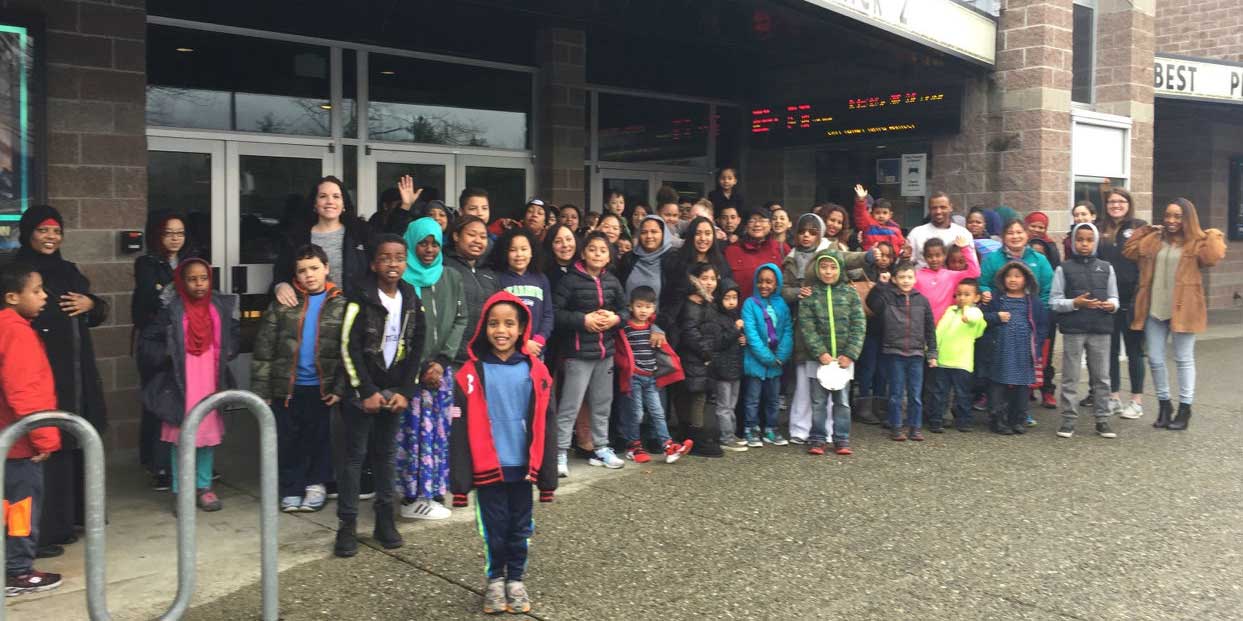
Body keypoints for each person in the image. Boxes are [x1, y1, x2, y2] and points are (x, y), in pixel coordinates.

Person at [448, 292, 557, 615]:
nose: (501, 330)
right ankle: (495, 580)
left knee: (521, 527)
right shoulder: (468, 374)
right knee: (493, 529)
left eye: (509, 324)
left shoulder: (537, 371)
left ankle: (517, 580)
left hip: (522, 467)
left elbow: (547, 427)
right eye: (494, 323)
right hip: (488, 468)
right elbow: (459, 432)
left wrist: (548, 478)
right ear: (483, 327)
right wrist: (459, 481)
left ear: (522, 327)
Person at [14, 205, 109, 552]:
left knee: (74, 440)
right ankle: (45, 531)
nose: (51, 237)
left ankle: (72, 519)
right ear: (28, 233)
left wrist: (91, 305)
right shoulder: (14, 270)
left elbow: (98, 311)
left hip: (75, 370)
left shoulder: (69, 271)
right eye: (43, 230)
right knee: (44, 444)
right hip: (37, 369)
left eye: (56, 231)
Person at [334, 234, 425, 557]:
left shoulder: (411, 297)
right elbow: (348, 346)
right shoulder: (359, 298)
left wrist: (406, 390)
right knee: (354, 458)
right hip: (363, 392)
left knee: (385, 457)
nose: (393, 264)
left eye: (399, 257)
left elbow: (417, 346)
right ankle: (347, 526)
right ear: (374, 263)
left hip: (395, 391)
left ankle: (385, 520)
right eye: (385, 258)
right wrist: (365, 390)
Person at [139, 258, 239, 511]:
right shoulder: (172, 309)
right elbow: (149, 339)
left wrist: (230, 350)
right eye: (192, 279)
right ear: (182, 282)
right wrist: (168, 355)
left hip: (209, 379)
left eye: (204, 278)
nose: (199, 284)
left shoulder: (218, 306)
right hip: (182, 381)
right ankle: (180, 490)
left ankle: (204, 486)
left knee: (206, 437)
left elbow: (232, 334)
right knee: (181, 437)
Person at [251, 245, 346, 513]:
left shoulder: (340, 303)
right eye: (302, 271)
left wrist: (340, 387)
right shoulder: (284, 303)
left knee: (319, 437)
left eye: (314, 268)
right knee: (289, 439)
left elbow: (346, 351)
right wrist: (263, 389)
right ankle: (292, 486)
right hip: (287, 387)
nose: (309, 275)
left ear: (326, 268)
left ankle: (317, 484)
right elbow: (264, 348)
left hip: (321, 387)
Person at [1123, 198, 1227, 430]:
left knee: (1183, 359)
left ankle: (1185, 409)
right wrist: (1148, 228)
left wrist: (1211, 233)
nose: (1171, 220)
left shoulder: (1197, 242)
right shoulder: (1154, 240)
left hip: (1184, 309)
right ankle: (1164, 406)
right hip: (1154, 309)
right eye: (1168, 215)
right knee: (1156, 360)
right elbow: (1129, 249)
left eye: (1178, 216)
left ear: (1187, 219)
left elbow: (1213, 256)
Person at [0, 263, 63, 596]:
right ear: (12, 297)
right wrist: (45, 438)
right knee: (21, 507)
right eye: (36, 291)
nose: (44, 296)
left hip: (8, 441)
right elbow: (23, 391)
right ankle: (19, 572)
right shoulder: (16, 331)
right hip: (19, 444)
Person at [553, 232, 628, 475]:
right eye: (592, 249)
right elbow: (555, 313)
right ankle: (560, 451)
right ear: (583, 253)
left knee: (602, 403)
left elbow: (626, 310)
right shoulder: (569, 281)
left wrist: (616, 318)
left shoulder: (612, 281)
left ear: (609, 256)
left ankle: (602, 447)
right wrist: (583, 320)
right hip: (577, 353)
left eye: (603, 250)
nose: (597, 254)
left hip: (605, 352)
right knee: (570, 405)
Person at [133, 211, 197, 491]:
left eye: (180, 233)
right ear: (158, 235)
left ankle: (189, 461)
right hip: (156, 342)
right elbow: (151, 298)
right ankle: (157, 465)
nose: (175, 238)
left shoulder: (190, 261)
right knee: (158, 402)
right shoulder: (146, 263)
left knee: (188, 401)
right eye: (169, 233)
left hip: (186, 341)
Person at [1050, 223, 1119, 439]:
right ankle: (1068, 419)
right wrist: (1075, 303)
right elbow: (1054, 301)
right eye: (1080, 239)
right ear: (1073, 242)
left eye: (1089, 240)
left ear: (1096, 241)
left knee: (1101, 377)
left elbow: (1114, 296)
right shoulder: (1064, 268)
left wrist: (1112, 305)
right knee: (1070, 376)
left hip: (1100, 329)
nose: (1084, 244)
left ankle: (1102, 419)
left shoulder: (1106, 267)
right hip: (1074, 329)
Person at [798, 251, 865, 455]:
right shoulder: (810, 295)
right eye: (824, 267)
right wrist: (820, 353)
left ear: (840, 269)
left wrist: (850, 354)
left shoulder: (850, 293)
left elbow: (859, 324)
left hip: (844, 361)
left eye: (833, 267)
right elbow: (807, 326)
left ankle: (842, 438)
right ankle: (818, 438)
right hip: (819, 360)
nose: (828, 272)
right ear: (817, 269)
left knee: (842, 402)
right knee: (818, 402)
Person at [618, 286, 693, 463]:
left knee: (657, 412)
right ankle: (634, 446)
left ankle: (668, 446)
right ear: (630, 307)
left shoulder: (653, 329)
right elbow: (620, 351)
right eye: (639, 306)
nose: (643, 310)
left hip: (650, 377)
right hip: (633, 377)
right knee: (636, 413)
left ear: (653, 308)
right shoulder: (626, 328)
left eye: (647, 307)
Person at [274, 176, 372, 304]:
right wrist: (280, 285)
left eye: (336, 196)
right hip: (309, 311)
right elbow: (282, 272)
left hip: (353, 312)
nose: (330, 201)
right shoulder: (296, 237)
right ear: (314, 204)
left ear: (344, 204)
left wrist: (403, 208)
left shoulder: (360, 233)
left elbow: (387, 252)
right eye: (323, 196)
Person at [866, 261, 936, 441]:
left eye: (910, 277)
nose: (906, 281)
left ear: (915, 278)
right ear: (895, 280)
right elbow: (872, 303)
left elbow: (930, 328)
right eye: (902, 277)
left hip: (916, 353)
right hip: (894, 352)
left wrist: (932, 353)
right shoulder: (888, 298)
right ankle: (896, 426)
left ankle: (915, 427)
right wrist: (881, 285)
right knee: (896, 393)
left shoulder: (922, 300)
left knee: (915, 394)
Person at [980, 262, 1049, 436]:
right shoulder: (996, 299)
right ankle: (997, 420)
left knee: (1022, 386)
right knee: (998, 383)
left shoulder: (1034, 302)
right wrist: (996, 317)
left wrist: (1037, 345)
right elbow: (983, 318)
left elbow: (1041, 326)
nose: (1013, 279)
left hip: (1024, 350)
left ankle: (1018, 419)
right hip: (1000, 349)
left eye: (1018, 276)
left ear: (1026, 280)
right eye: (1009, 276)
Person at [1096, 188, 1148, 419]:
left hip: (1133, 298)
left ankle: (1136, 401)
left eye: (1120, 201)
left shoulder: (1139, 227)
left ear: (1129, 203)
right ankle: (1113, 397)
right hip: (1107, 300)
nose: (1116, 205)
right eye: (1111, 201)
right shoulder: (1100, 228)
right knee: (1111, 350)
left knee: (1135, 350)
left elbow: (1146, 260)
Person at [781, 213, 830, 443]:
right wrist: (797, 293)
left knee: (826, 377)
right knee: (802, 380)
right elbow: (783, 288)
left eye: (812, 232)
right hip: (800, 323)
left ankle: (826, 428)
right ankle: (800, 428)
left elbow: (848, 272)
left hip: (824, 323)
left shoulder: (830, 253)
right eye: (802, 231)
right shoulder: (790, 258)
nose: (807, 236)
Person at [740, 264, 793, 447]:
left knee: (773, 398)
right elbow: (751, 334)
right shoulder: (749, 304)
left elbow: (787, 330)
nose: (764, 285)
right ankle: (750, 428)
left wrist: (781, 355)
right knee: (752, 399)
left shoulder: (782, 305)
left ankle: (771, 428)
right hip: (756, 360)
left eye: (769, 282)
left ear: (777, 283)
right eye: (760, 281)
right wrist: (768, 358)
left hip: (777, 362)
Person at [926, 279, 988, 433]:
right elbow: (939, 330)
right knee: (940, 393)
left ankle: (964, 420)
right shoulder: (950, 310)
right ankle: (936, 420)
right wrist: (932, 350)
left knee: (962, 394)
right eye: (959, 294)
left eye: (967, 294)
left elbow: (976, 321)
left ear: (976, 297)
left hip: (962, 362)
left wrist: (967, 312)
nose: (962, 298)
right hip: (943, 360)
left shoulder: (976, 312)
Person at [659, 216, 732, 340]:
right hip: (680, 328)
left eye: (708, 233)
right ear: (691, 236)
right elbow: (670, 296)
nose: (703, 238)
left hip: (711, 328)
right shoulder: (677, 261)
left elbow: (726, 293)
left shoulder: (720, 263)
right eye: (698, 234)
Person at [489, 228, 554, 359]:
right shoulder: (497, 279)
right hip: (508, 351)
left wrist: (539, 340)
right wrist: (522, 343)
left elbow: (548, 315)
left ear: (532, 252)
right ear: (505, 253)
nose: (519, 254)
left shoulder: (541, 279)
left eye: (524, 249)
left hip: (536, 350)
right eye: (513, 250)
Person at [445, 216, 500, 367]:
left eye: (483, 236)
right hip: (451, 358)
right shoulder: (444, 267)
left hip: (483, 357)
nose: (478, 240)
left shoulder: (489, 273)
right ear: (456, 236)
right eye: (471, 234)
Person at [710, 282, 747, 450]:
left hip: (735, 366)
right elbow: (719, 341)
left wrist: (742, 339)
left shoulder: (735, 315)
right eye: (727, 298)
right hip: (722, 368)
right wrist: (735, 330)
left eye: (734, 298)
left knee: (732, 403)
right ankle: (726, 436)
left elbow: (733, 339)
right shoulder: (716, 317)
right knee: (724, 405)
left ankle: (731, 433)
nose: (732, 302)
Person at [915, 236, 980, 323]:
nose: (934, 259)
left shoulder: (951, 275)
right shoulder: (916, 276)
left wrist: (965, 249)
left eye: (938, 255)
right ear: (924, 257)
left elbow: (975, 272)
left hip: (947, 326)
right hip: (924, 324)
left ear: (945, 255)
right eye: (930, 256)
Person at [726, 210, 787, 300]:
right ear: (746, 226)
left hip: (774, 311)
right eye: (752, 220)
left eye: (762, 220)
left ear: (770, 225)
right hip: (740, 311)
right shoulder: (732, 250)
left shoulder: (782, 249)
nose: (757, 224)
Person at [906, 191, 971, 268]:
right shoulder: (916, 233)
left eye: (943, 207)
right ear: (929, 209)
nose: (938, 211)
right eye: (934, 208)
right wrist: (904, 256)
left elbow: (971, 263)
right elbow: (906, 264)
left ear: (950, 207)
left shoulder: (963, 233)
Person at [617, 215, 676, 299]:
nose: (649, 236)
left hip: (661, 312)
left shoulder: (673, 259)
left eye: (654, 231)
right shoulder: (629, 258)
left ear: (663, 234)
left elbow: (676, 296)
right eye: (644, 232)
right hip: (626, 311)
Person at [852, 184, 906, 251]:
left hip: (890, 259)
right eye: (877, 213)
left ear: (890, 215)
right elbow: (860, 214)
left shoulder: (896, 229)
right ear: (872, 214)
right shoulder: (868, 225)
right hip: (871, 259)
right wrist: (861, 200)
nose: (881, 216)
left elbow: (901, 244)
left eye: (885, 213)